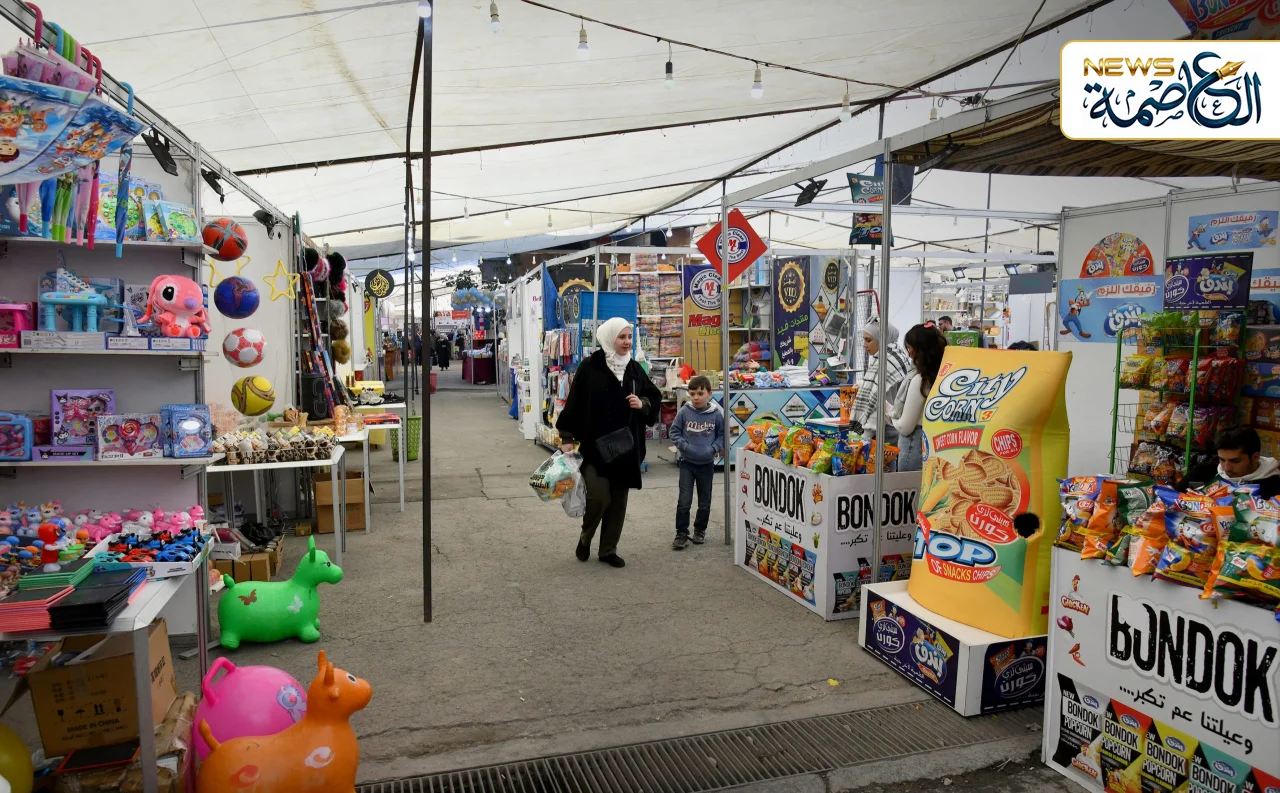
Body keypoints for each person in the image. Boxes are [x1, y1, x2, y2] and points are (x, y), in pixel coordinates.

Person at [556, 317, 662, 568]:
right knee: (599, 497)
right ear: (609, 338)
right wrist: (567, 438)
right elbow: (575, 403)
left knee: (618, 502)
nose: (627, 342)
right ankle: (586, 537)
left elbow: (653, 396)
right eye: (621, 337)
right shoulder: (590, 367)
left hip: (626, 448)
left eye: (629, 337)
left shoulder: (634, 369)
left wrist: (642, 404)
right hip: (595, 446)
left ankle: (608, 550)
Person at [668, 375, 724, 550]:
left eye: (700, 393)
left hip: (706, 464)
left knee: (704, 501)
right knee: (684, 501)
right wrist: (684, 446)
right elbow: (674, 432)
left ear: (709, 393)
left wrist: (713, 448)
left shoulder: (716, 414)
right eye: (692, 394)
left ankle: (700, 530)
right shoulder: (684, 412)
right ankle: (681, 533)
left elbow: (722, 435)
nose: (696, 397)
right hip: (687, 463)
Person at [885, 323, 947, 471]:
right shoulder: (946, 377)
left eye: (909, 348)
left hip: (914, 448)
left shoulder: (920, 381)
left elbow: (905, 427)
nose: (909, 354)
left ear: (919, 350)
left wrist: (891, 414)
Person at [849, 318, 912, 441]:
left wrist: (864, 437)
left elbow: (878, 403)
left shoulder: (885, 361)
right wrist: (864, 384)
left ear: (881, 339)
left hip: (883, 429)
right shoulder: (896, 355)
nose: (864, 345)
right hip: (891, 425)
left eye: (868, 340)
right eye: (863, 339)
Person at [1176, 425, 1280, 497]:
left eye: (1235, 461)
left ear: (1255, 457)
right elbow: (1175, 496)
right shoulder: (1203, 472)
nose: (1226, 468)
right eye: (1222, 459)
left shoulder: (1273, 487)